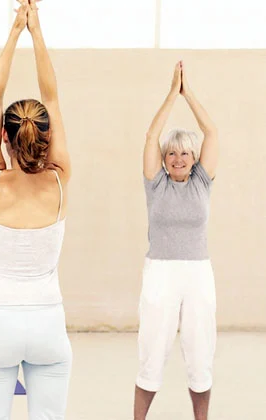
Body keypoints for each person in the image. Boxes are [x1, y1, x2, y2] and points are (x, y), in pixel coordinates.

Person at [0, 0, 73, 418]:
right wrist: (38, 29)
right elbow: (52, 96)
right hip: (48, 323)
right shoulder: (61, 181)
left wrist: (15, 30)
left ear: (4, 139)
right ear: (47, 139)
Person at [134, 60, 219, 420]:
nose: (178, 158)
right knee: (152, 352)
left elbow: (212, 133)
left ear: (195, 159)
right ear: (165, 161)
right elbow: (151, 137)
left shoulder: (202, 181)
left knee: (200, 353)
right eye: (172, 153)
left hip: (198, 273)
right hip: (161, 272)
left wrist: (189, 93)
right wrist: (172, 94)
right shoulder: (156, 184)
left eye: (185, 153)